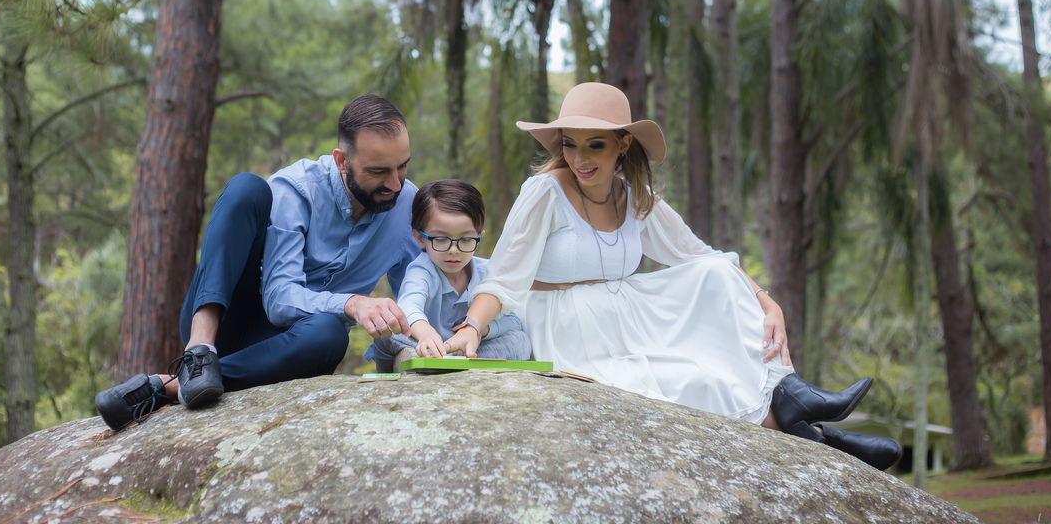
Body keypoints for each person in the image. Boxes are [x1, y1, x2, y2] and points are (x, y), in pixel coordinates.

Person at [443, 83, 901, 471]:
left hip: (628, 317)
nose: (579, 158)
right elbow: (503, 278)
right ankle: (820, 439)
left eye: (595, 144)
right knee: (689, 384)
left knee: (716, 274)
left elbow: (703, 257)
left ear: (623, 144)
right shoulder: (544, 192)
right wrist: (471, 327)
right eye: (569, 143)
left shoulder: (635, 197)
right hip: (570, 327)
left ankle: (789, 391)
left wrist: (766, 300)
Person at [95, 95, 421, 430]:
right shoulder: (296, 189)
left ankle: (171, 386)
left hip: (296, 347)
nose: (395, 184)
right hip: (232, 322)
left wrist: (463, 328)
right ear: (341, 161)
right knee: (246, 188)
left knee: (330, 333)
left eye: (402, 166)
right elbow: (279, 299)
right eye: (378, 171)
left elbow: (419, 291)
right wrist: (352, 303)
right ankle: (199, 352)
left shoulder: (408, 205)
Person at [366, 179, 532, 372]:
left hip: (469, 349)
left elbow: (513, 319)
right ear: (420, 237)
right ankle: (429, 362)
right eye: (442, 239)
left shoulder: (487, 272)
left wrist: (479, 331)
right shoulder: (422, 269)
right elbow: (408, 306)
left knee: (521, 341)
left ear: (479, 236)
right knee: (387, 331)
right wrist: (426, 334)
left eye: (466, 239)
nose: (454, 250)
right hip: (423, 342)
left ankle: (441, 366)